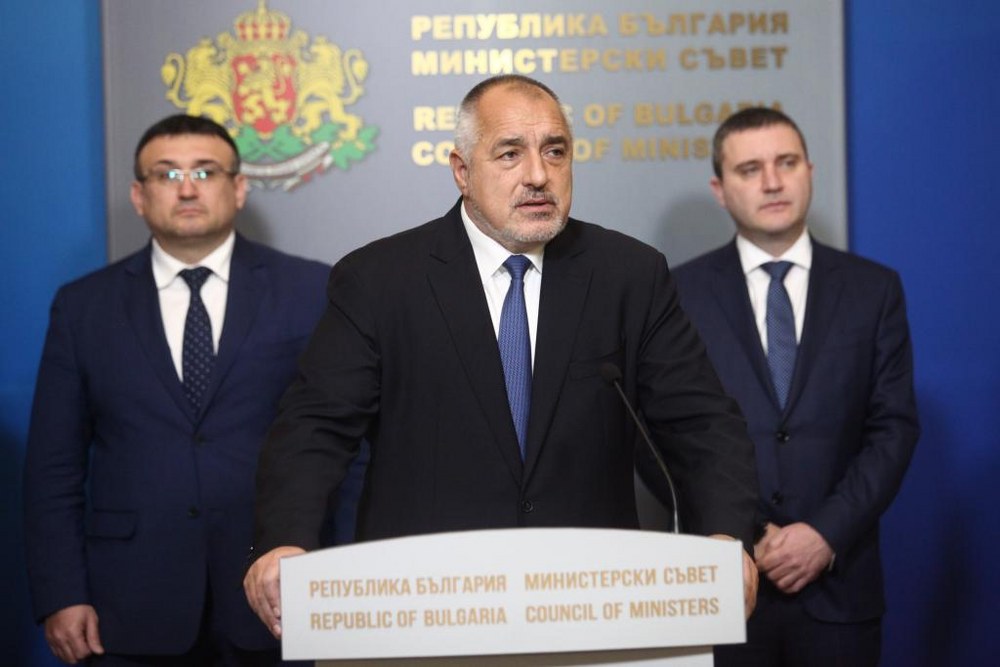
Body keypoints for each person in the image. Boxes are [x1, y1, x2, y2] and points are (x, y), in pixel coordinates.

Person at [243, 74, 760, 638]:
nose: (538, 175)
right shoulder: (380, 280)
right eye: (509, 154)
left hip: (590, 604)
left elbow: (700, 423)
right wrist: (285, 540)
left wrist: (724, 536)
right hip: (425, 605)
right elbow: (315, 427)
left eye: (554, 152)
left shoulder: (628, 275)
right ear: (462, 171)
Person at [22, 114, 358, 665]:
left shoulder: (311, 289)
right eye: (166, 174)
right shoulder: (84, 307)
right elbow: (52, 467)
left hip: (278, 593)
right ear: (139, 195)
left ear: (239, 187)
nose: (186, 189)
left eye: (204, 172)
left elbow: (348, 444)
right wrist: (61, 592)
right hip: (128, 601)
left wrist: (343, 574)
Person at [663, 107, 919, 666]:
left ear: (810, 171)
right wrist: (744, 534)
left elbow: (893, 429)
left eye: (786, 163)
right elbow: (660, 437)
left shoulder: (874, 290)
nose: (773, 182)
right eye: (749, 169)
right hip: (726, 588)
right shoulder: (677, 294)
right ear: (720, 190)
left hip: (839, 589)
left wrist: (824, 534)